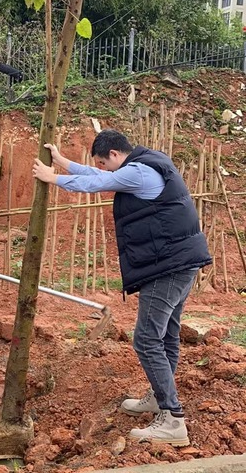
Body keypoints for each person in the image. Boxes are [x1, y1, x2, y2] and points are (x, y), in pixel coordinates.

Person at [32, 129, 211, 446]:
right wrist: (62, 161)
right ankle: (160, 398)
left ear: (114, 155)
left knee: (145, 339)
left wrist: (52, 177)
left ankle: (173, 420)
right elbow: (98, 175)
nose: (101, 168)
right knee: (166, 333)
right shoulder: (146, 163)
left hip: (167, 266)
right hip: (180, 261)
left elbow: (96, 183)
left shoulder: (138, 173)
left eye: (103, 162)